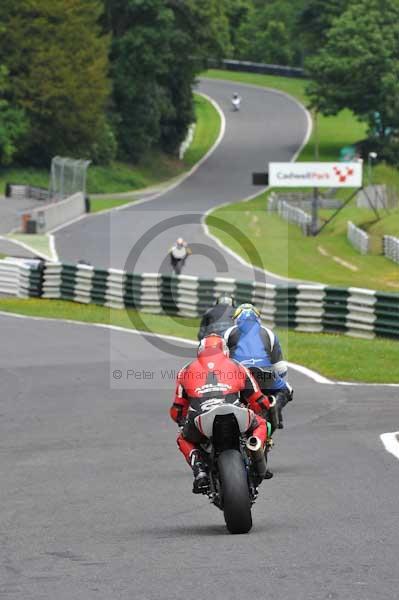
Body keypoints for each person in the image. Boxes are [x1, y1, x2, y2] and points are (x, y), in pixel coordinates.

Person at [170, 334, 273, 494]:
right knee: (262, 424)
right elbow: (259, 400)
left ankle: (199, 469)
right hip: (234, 411)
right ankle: (255, 446)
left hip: (201, 417)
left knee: (183, 438)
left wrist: (182, 420)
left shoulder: (186, 370)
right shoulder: (238, 366)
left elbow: (177, 409)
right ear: (225, 351)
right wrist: (261, 407)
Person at [224, 303, 293, 430]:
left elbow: (222, 360)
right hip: (265, 375)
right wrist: (279, 381)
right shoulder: (269, 333)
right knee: (287, 389)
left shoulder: (229, 333)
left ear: (236, 319)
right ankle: (275, 405)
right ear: (258, 319)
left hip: (239, 376)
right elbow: (281, 367)